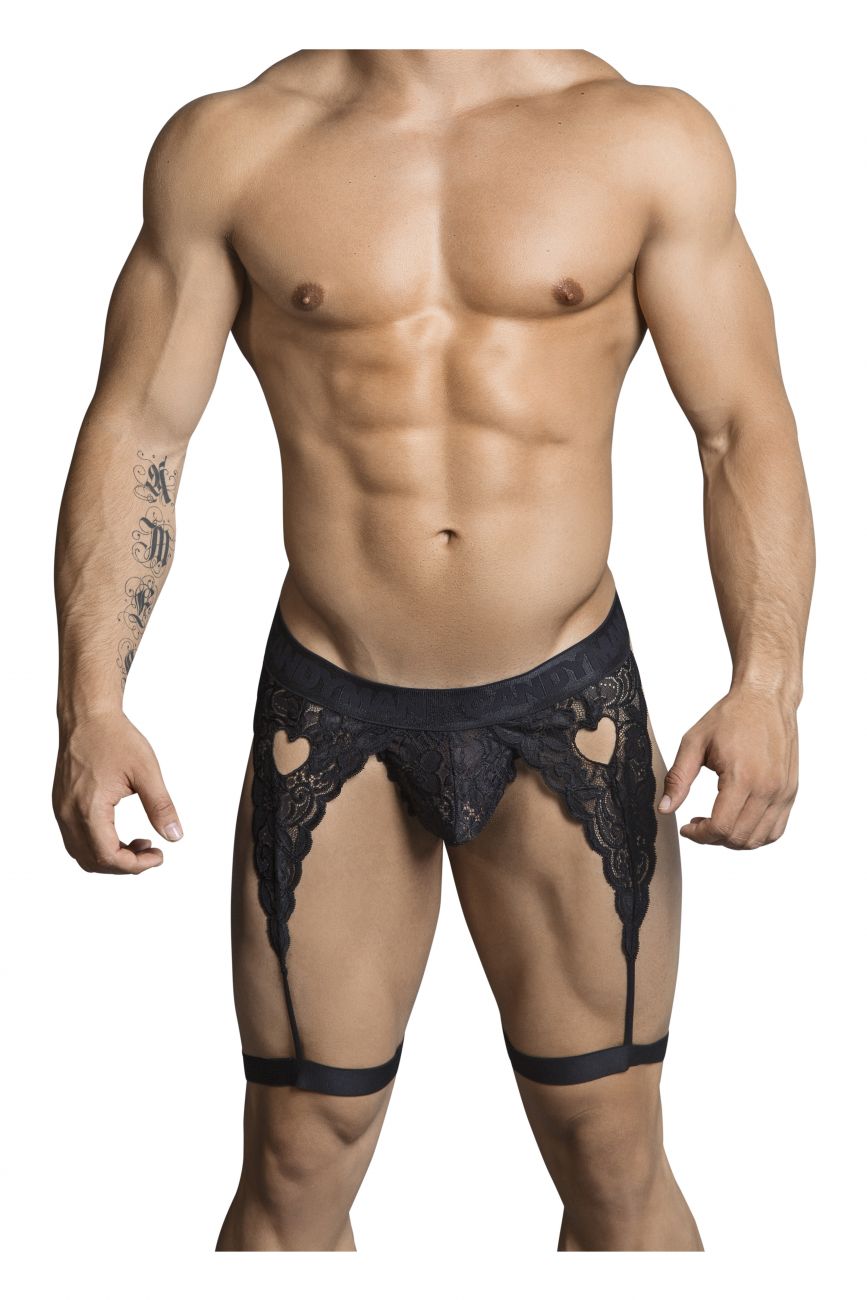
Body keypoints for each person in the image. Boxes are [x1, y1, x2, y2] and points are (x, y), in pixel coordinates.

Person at [52, 49, 814, 1252]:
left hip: (567, 694)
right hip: (334, 701)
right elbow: (141, 425)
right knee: (298, 1157)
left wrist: (767, 684)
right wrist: (91, 703)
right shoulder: (235, 144)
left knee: (613, 1151)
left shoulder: (642, 137)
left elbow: (740, 425)